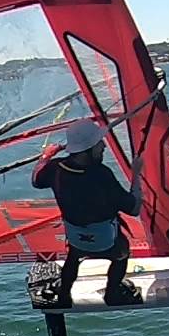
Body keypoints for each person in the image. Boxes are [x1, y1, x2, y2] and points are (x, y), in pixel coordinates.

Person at [29, 119, 146, 307]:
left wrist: (46, 156)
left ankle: (64, 296)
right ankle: (111, 294)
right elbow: (133, 209)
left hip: (77, 240)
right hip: (108, 244)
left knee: (73, 258)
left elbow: (36, 180)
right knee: (122, 255)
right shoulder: (101, 175)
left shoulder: (56, 169)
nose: (104, 147)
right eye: (99, 144)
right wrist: (136, 174)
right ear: (86, 151)